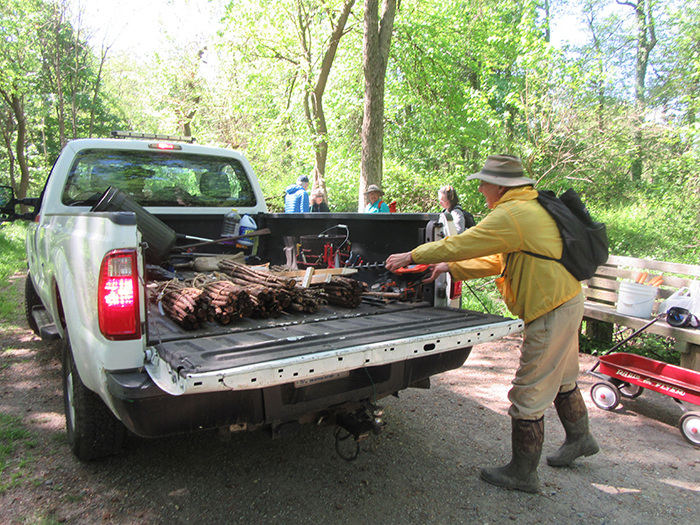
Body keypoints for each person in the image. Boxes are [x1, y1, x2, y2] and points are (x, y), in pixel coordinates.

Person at [385, 154, 599, 494]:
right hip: (567, 299)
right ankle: (580, 437)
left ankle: (523, 473)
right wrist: (452, 269)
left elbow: (462, 242)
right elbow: (498, 259)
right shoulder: (528, 206)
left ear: (500, 186)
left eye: (484, 182)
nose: (481, 188)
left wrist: (414, 255)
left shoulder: (512, 213)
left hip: (550, 307)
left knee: (528, 391)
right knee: (564, 376)